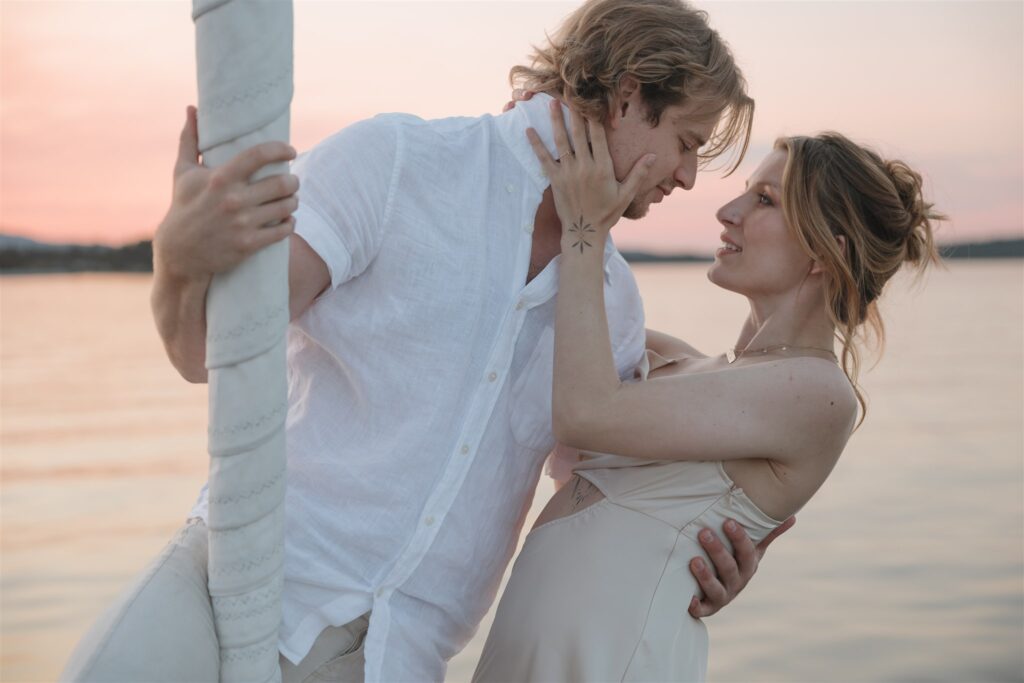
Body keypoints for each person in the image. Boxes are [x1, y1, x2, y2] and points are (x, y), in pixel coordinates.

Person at [59, 1, 780, 681]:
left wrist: (700, 555)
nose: (689, 177)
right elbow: (205, 353)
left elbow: (594, 504)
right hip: (233, 590)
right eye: (686, 143)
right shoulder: (398, 163)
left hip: (393, 661)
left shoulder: (613, 304)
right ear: (627, 98)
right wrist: (175, 259)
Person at [472, 103, 942, 681]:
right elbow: (531, 316)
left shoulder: (819, 394)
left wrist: (586, 229)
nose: (727, 211)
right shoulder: (677, 364)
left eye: (764, 200)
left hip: (614, 662)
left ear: (827, 252)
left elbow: (584, 412)